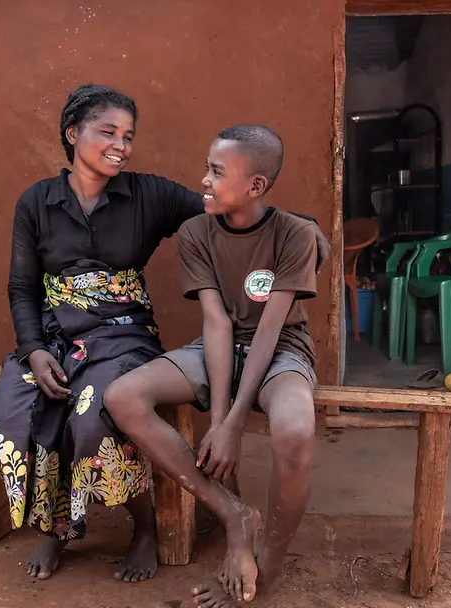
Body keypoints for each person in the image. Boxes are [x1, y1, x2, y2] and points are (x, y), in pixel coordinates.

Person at [0, 85, 328, 584]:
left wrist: (308, 228)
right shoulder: (37, 202)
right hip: (56, 334)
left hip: (121, 334)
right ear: (72, 133)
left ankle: (145, 526)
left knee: (93, 409)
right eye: (108, 132)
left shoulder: (149, 194)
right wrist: (34, 349)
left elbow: (229, 205)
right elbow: (22, 285)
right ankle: (57, 526)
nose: (121, 145)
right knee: (15, 408)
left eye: (128, 135)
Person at [104, 124, 323, 606]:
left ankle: (268, 572)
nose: (204, 179)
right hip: (216, 348)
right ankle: (233, 514)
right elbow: (218, 324)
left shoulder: (295, 234)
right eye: (207, 167)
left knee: (294, 429)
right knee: (123, 395)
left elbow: (269, 329)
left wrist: (236, 423)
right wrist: (219, 419)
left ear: (256, 186)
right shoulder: (195, 232)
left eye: (217, 171)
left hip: (281, 348)